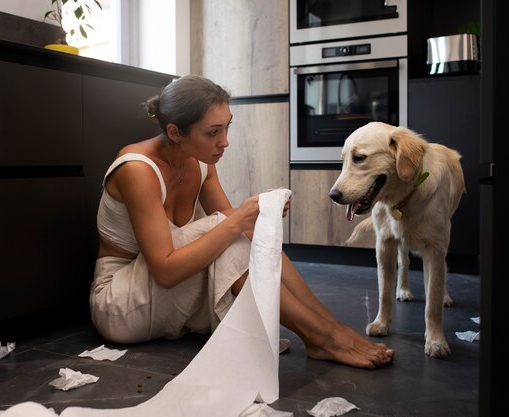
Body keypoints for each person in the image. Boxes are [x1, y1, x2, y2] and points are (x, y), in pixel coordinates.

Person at [90, 75, 394, 369]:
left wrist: (262, 214)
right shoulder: (137, 170)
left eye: (226, 128)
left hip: (165, 300)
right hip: (120, 304)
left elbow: (240, 232)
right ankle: (321, 337)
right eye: (213, 133)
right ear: (174, 132)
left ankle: (329, 329)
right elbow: (168, 271)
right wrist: (238, 220)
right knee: (230, 228)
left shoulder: (200, 161)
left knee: (242, 232)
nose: (224, 142)